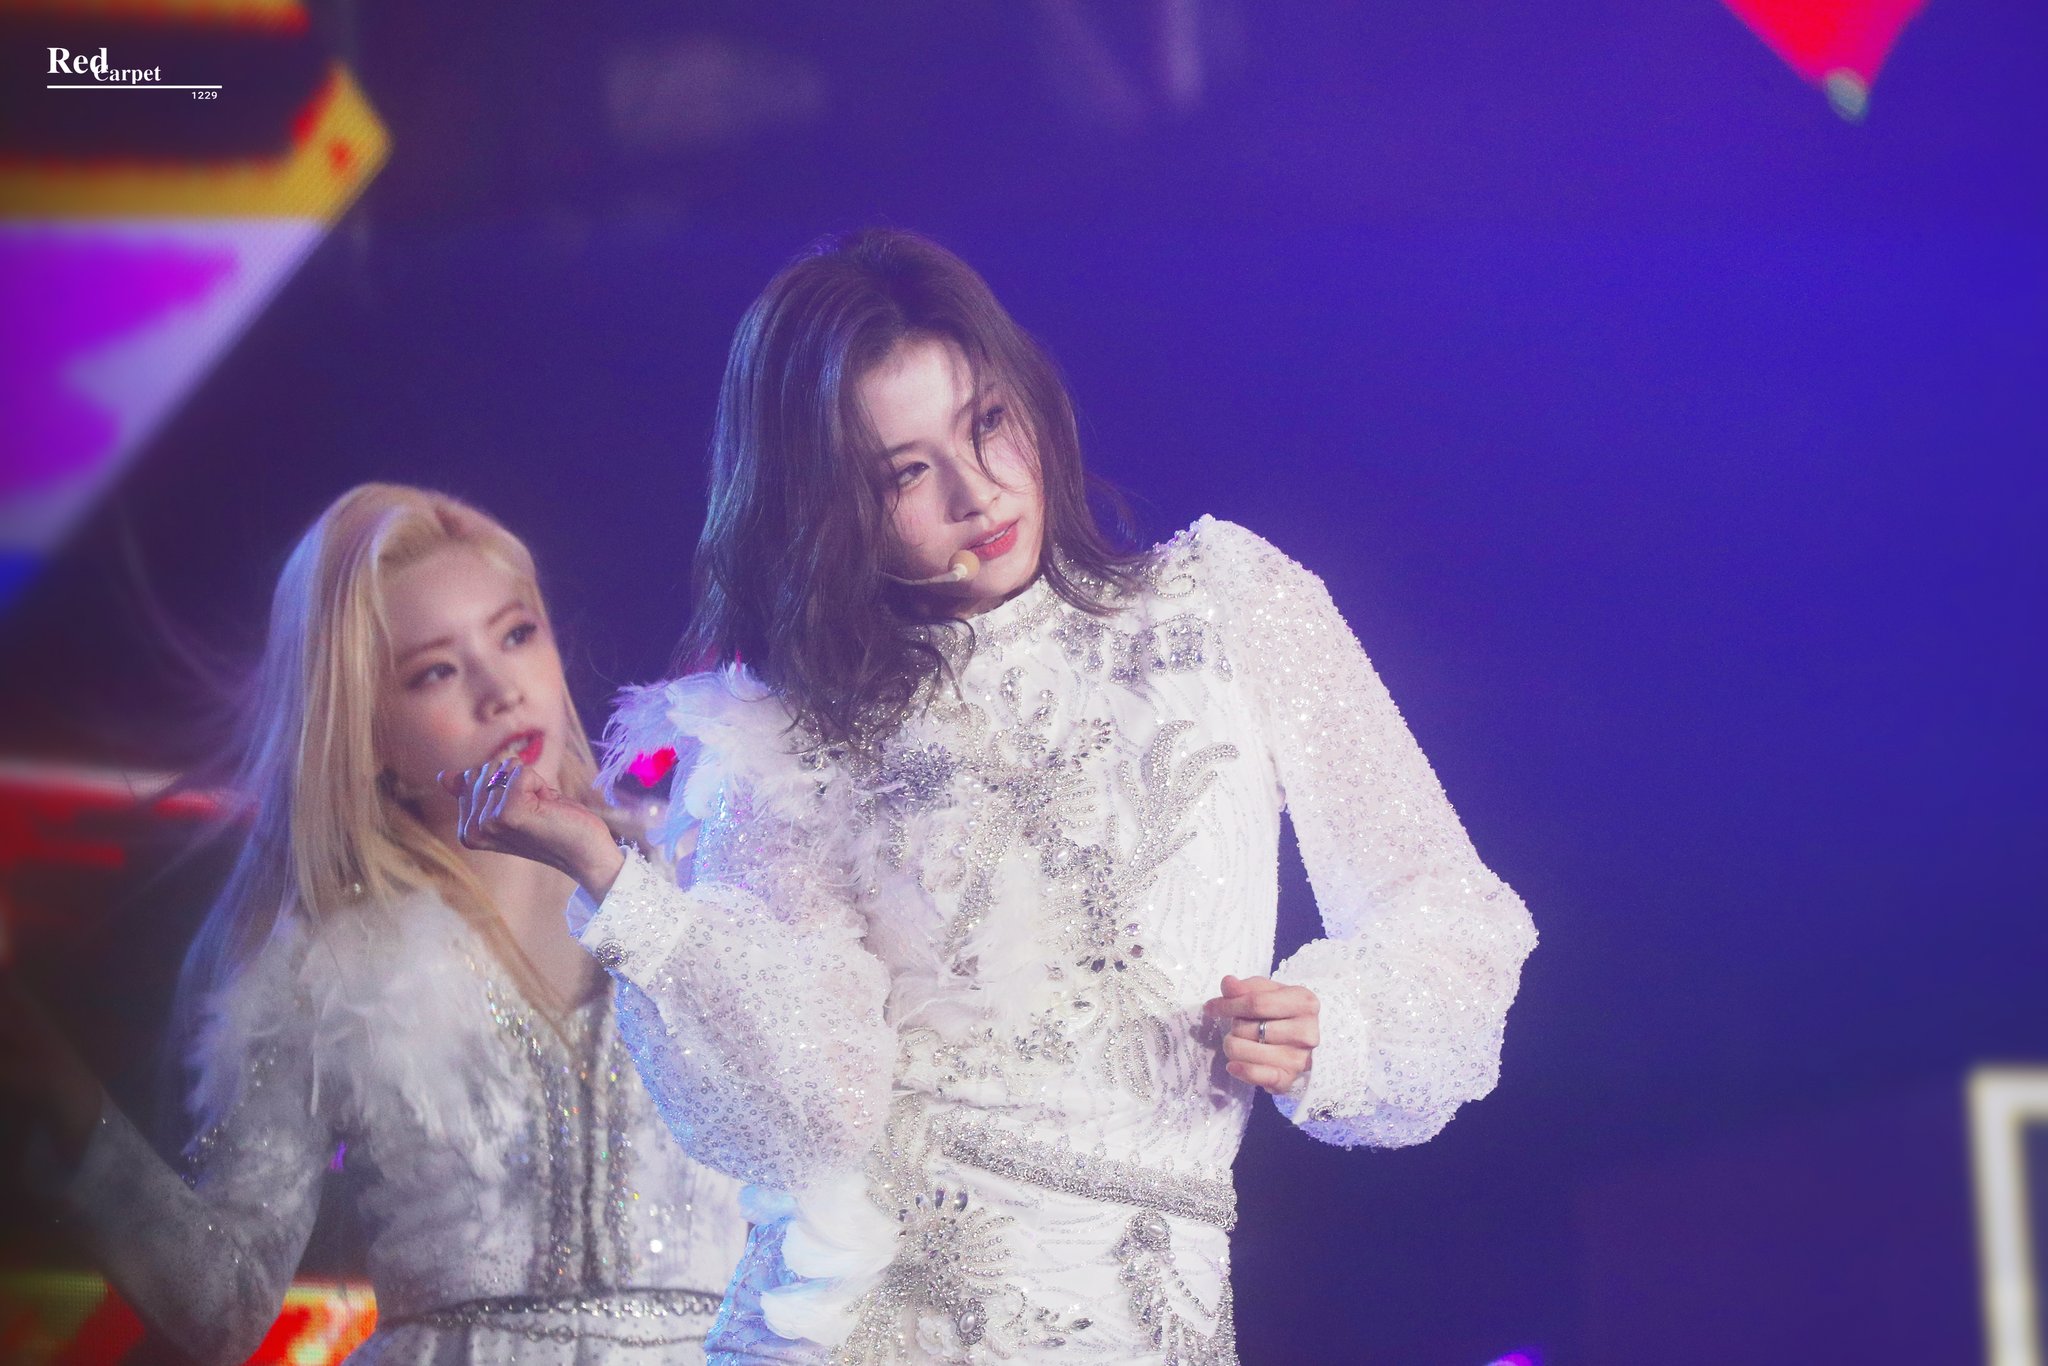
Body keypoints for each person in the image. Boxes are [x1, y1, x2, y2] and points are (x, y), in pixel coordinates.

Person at [454, 231, 1539, 1364]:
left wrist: (1339, 1024)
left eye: (986, 423)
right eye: (904, 473)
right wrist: (614, 881)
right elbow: (810, 1114)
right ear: (824, 509)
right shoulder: (787, 739)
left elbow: (1445, 909)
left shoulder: (1228, 607)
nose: (977, 492)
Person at [0, 484, 745, 1362]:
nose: (500, 691)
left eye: (516, 634)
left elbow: (829, 1139)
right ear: (365, 727)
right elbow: (221, 1308)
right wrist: (45, 1072)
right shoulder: (327, 965)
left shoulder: (708, 874)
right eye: (434, 671)